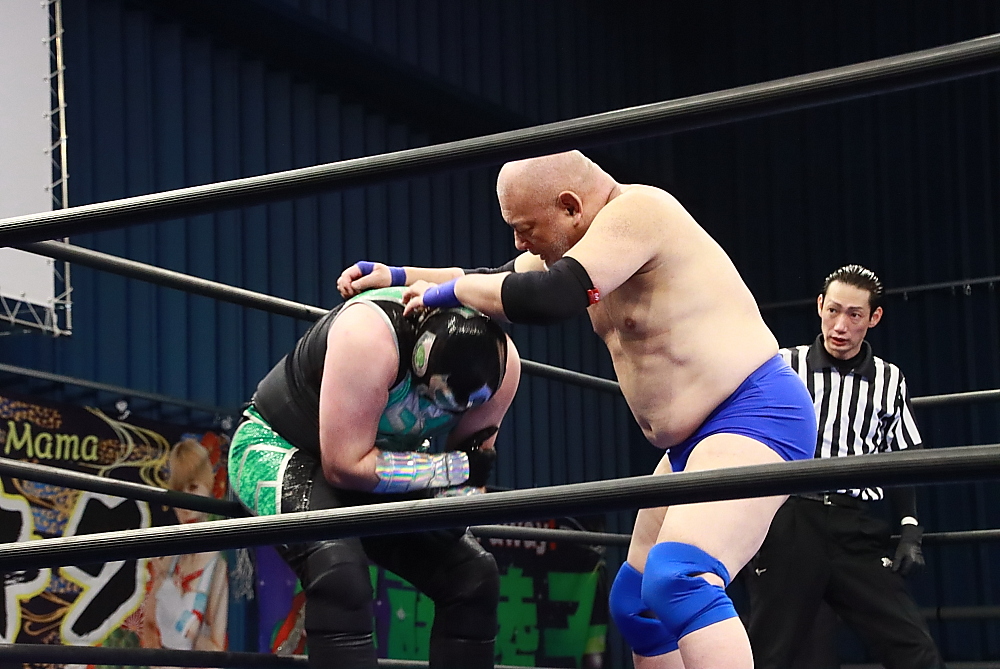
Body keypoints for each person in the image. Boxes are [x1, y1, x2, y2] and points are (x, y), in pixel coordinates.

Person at [337, 150, 817, 669]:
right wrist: (397, 275)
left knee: (680, 579)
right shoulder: (583, 245)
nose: (519, 243)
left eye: (525, 228)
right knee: (637, 606)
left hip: (754, 412)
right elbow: (491, 278)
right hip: (695, 441)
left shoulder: (641, 212)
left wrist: (449, 291)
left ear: (570, 207)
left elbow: (549, 296)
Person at [228, 286, 521, 669]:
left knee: (473, 575)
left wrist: (452, 505)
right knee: (338, 568)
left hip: (380, 471)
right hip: (280, 447)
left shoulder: (505, 368)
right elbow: (344, 466)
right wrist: (448, 469)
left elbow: (472, 471)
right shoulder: (369, 336)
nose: (431, 411)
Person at [744, 264, 943, 669]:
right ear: (820, 306)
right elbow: (746, 438)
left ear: (874, 318)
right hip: (791, 519)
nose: (840, 326)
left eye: (854, 315)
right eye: (833, 310)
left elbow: (902, 455)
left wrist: (909, 528)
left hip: (855, 526)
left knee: (915, 650)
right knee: (769, 654)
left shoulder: (889, 379)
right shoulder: (784, 365)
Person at [141, 439, 229, 658]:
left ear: (209, 488)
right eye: (178, 491)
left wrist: (182, 619)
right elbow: (149, 627)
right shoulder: (169, 560)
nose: (184, 502)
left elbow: (217, 651)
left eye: (193, 487)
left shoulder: (218, 565)